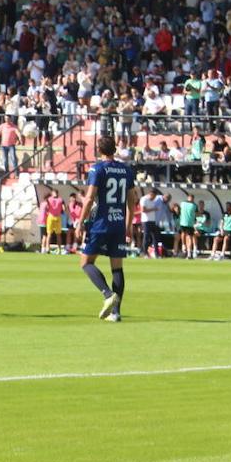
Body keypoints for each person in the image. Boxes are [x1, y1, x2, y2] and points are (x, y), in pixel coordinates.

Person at [75, 136, 135, 322]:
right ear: (115, 149)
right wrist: (128, 225)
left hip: (100, 223)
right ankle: (116, 313)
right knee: (117, 268)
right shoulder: (126, 170)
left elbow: (90, 197)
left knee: (86, 263)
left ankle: (108, 294)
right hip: (118, 224)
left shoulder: (97, 169)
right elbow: (132, 200)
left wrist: (80, 222)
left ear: (98, 150)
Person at [139, 188, 163, 258]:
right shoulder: (144, 199)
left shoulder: (153, 200)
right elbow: (143, 210)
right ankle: (144, 253)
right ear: (151, 194)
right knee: (146, 237)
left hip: (153, 220)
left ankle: (156, 253)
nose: (154, 198)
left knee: (155, 237)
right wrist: (154, 209)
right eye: (154, 196)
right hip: (146, 220)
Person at [42, 189, 64, 254]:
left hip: (51, 216)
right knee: (57, 234)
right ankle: (59, 249)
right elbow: (63, 209)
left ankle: (47, 248)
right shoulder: (61, 199)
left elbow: (46, 207)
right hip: (57, 217)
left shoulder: (49, 199)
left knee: (50, 233)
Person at [176, 193, 198, 259]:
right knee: (183, 234)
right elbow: (178, 210)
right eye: (190, 198)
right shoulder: (183, 203)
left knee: (189, 237)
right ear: (188, 197)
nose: (191, 199)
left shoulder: (194, 205)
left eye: (192, 198)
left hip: (190, 224)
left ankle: (189, 253)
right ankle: (183, 245)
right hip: (183, 222)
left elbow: (196, 213)